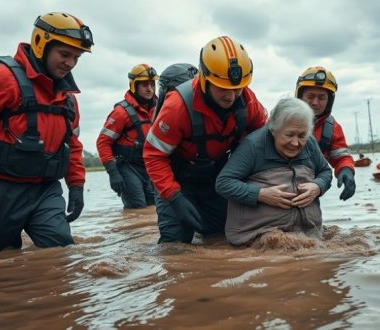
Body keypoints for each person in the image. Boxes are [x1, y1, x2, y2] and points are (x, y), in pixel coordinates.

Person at [0, 12, 94, 254]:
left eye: (76, 58)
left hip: (45, 189)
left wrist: (76, 185)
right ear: (40, 44)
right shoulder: (2, 79)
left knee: (62, 250)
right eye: (64, 55)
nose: (71, 64)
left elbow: (72, 145)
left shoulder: (68, 100)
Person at [143, 36, 268, 244]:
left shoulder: (248, 101)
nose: (231, 96)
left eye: (237, 89)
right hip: (176, 180)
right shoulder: (177, 107)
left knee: (226, 237)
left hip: (215, 178)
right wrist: (174, 198)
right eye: (223, 89)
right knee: (175, 243)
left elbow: (265, 140)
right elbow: (154, 156)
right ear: (204, 78)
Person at [215, 97, 332, 246]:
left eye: (302, 135)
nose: (296, 143)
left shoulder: (309, 143)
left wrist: (318, 187)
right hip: (257, 234)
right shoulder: (253, 145)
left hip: (309, 232)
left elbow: (325, 172)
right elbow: (223, 183)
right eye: (289, 135)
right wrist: (260, 194)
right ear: (273, 128)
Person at [96, 64, 158, 209]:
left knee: (154, 209)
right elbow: (102, 142)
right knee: (137, 207)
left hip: (150, 167)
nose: (150, 88)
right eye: (144, 85)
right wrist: (113, 173)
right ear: (134, 85)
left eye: (152, 84)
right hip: (128, 168)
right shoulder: (120, 113)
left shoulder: (159, 108)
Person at [295, 66, 355, 201]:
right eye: (310, 96)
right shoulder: (281, 118)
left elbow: (341, 157)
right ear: (300, 96)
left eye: (322, 97)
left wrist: (346, 170)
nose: (315, 102)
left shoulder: (332, 128)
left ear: (329, 101)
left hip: (310, 190)